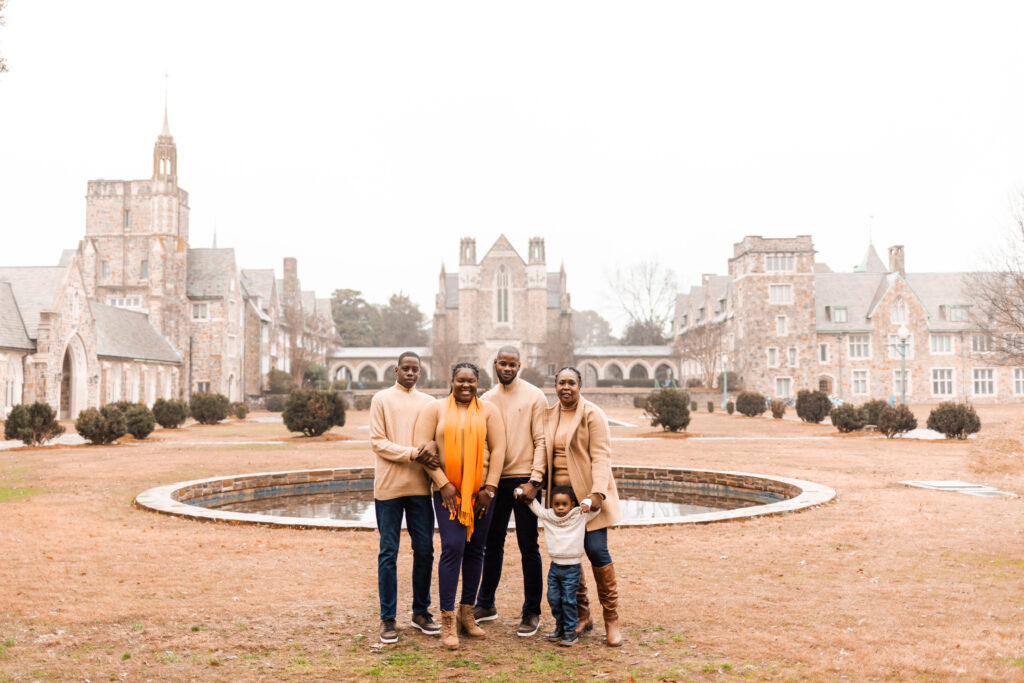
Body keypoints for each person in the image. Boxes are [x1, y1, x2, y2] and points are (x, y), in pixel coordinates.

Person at [413, 362, 507, 650]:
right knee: (453, 548)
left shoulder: (489, 410)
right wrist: (443, 483)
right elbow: (422, 447)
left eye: (471, 381)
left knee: (477, 549)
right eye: (460, 380)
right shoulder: (435, 409)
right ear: (451, 381)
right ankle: (447, 619)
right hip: (448, 496)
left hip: (480, 496)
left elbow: (499, 448)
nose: (466, 385)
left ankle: (468, 613)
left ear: (478, 382)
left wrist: (489, 489)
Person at [543, 366, 623, 647]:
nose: (566, 387)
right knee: (568, 554)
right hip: (561, 501)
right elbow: (543, 451)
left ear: (580, 385)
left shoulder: (592, 414)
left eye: (572, 383)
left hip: (589, 498)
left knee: (597, 550)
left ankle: (611, 620)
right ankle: (582, 615)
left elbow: (601, 455)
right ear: (555, 385)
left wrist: (597, 492)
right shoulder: (549, 414)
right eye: (561, 382)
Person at [473, 346, 548, 637]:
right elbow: (483, 444)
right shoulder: (486, 399)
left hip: (525, 481)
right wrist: (485, 484)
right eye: (502, 363)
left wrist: (535, 480)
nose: (507, 368)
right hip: (495, 480)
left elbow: (541, 440)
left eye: (512, 364)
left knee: (529, 547)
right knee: (492, 545)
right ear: (495, 364)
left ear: (520, 365)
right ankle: (486, 604)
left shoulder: (534, 396)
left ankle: (531, 612)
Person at [369, 351, 439, 643]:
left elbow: (437, 441)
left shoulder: (430, 403)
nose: (410, 373)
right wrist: (413, 453)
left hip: (421, 490)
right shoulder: (381, 399)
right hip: (389, 489)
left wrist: (432, 447)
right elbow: (378, 442)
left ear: (420, 373)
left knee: (425, 551)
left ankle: (420, 612)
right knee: (389, 553)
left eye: (415, 369)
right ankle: (388, 619)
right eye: (405, 368)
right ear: (395, 370)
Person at [521, 485, 599, 647]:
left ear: (571, 504)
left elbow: (597, 511)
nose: (561, 508)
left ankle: (570, 631)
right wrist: (523, 494)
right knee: (553, 598)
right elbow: (535, 507)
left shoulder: (579, 515)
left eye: (564, 504)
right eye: (557, 504)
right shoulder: (549, 516)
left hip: (572, 568)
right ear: (552, 504)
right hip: (555, 567)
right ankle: (560, 626)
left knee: (569, 600)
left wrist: (588, 503)